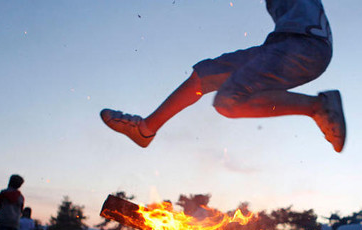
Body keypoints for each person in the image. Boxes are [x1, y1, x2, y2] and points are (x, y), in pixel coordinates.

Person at [100, 0, 346, 153]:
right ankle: (145, 129)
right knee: (204, 75)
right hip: (287, 45)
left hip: (303, 46)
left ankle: (317, 107)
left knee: (228, 101)